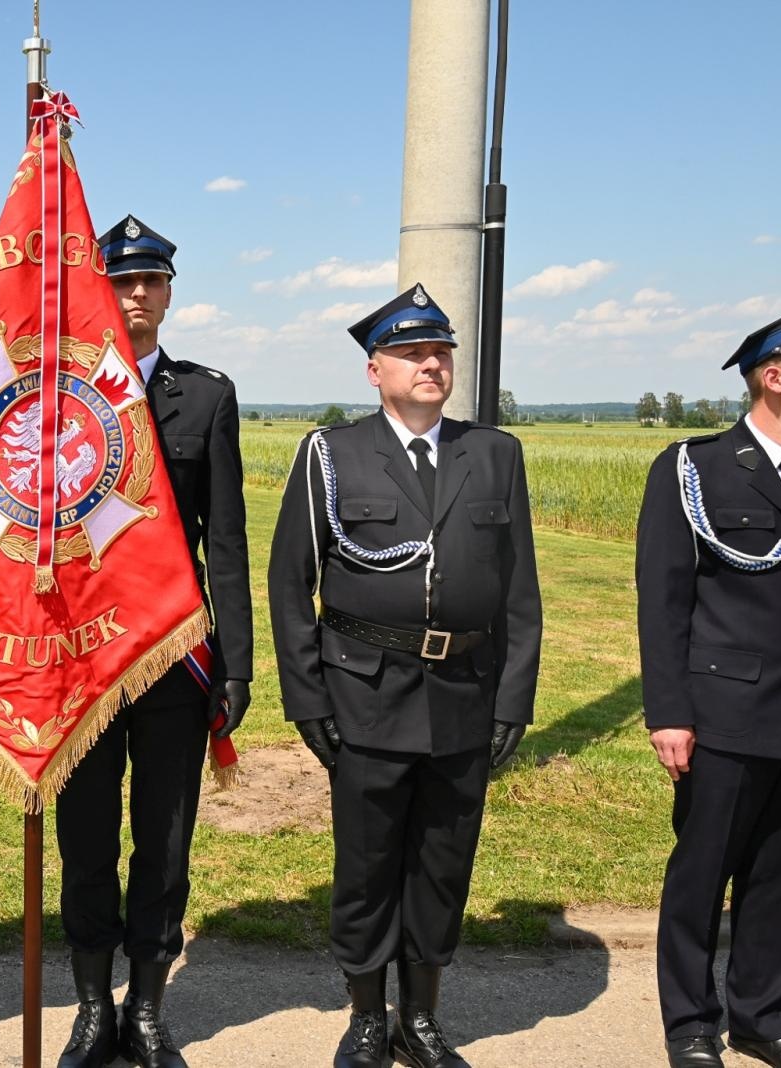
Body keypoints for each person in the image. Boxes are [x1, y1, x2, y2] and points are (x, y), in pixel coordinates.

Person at [267, 284, 541, 1068]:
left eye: (441, 352)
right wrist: (307, 698)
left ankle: (420, 1019)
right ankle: (365, 1018)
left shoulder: (494, 454)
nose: (431, 364)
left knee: (443, 865)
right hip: (365, 694)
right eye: (413, 353)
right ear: (374, 370)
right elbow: (290, 582)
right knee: (366, 867)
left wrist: (513, 700)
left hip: (464, 694)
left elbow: (519, 591)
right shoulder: (333, 453)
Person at [51, 216, 252, 1068]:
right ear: (99, 288)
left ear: (169, 293)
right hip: (82, 656)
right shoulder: (56, 393)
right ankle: (92, 1009)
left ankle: (147, 1009)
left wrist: (236, 664)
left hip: (175, 653)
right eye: (122, 280)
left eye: (152, 281)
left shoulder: (204, 396)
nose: (137, 294)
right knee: (86, 838)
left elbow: (227, 540)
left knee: (165, 841)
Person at [637, 306, 781, 1068]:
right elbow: (664, 602)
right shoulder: (695, 469)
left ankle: (764, 1015)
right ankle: (691, 1023)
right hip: (724, 711)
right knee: (702, 875)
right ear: (774, 377)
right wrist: (668, 712)